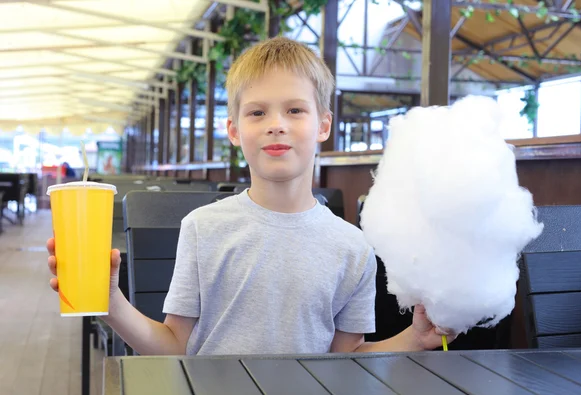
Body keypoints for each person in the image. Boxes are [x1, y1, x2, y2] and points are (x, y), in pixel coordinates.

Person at [47, 37, 456, 356]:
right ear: (235, 130)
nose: (276, 124)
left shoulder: (355, 248)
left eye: (295, 110)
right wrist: (110, 301)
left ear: (324, 125)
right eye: (257, 112)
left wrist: (412, 339)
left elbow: (348, 359)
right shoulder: (202, 228)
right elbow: (174, 346)